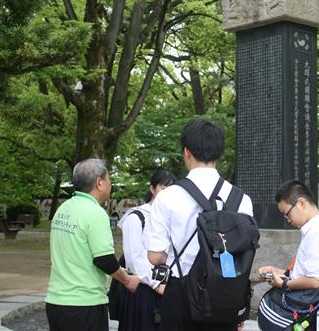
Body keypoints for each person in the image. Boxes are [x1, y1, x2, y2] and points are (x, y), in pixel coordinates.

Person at [145, 119, 254, 331]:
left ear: (186, 151)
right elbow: (245, 252)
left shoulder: (167, 197)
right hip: (226, 293)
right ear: (219, 152)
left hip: (181, 293)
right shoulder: (242, 199)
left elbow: (155, 256)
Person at [45, 158, 140, 331]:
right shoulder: (95, 213)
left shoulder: (63, 209)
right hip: (85, 304)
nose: (111, 185)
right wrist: (127, 280)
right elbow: (104, 260)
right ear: (99, 183)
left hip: (55, 302)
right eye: (109, 180)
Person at [257, 180, 319, 331]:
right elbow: (303, 273)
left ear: (301, 203)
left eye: (287, 213)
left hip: (311, 314)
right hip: (307, 308)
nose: (288, 219)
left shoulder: (317, 232)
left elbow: (313, 280)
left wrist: (283, 284)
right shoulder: (312, 230)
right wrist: (275, 271)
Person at [116, 170, 176, 331]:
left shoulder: (174, 218)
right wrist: (156, 284)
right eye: (164, 188)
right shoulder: (136, 217)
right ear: (152, 189)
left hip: (167, 288)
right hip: (142, 289)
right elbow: (133, 259)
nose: (168, 194)